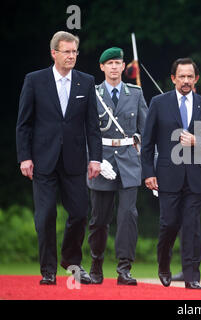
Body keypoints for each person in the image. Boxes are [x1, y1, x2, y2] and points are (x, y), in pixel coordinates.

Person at [16, 31, 102, 285]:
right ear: (54, 53)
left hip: (75, 161)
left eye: (75, 51)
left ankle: (71, 261)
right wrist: (25, 157)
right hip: (43, 161)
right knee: (45, 217)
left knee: (79, 214)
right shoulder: (34, 80)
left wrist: (95, 158)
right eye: (67, 51)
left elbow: (92, 126)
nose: (72, 56)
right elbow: (24, 124)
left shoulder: (85, 82)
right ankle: (48, 271)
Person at [141, 58, 201, 289]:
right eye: (181, 76)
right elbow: (147, 143)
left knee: (192, 226)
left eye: (190, 77)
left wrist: (198, 141)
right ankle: (164, 264)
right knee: (169, 224)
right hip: (166, 175)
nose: (185, 81)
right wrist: (148, 173)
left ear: (196, 79)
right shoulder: (158, 102)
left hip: (195, 176)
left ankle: (192, 276)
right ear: (173, 78)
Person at [87, 47, 148, 285]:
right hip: (100, 158)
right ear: (102, 67)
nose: (114, 67)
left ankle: (124, 268)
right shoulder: (93, 94)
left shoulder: (135, 93)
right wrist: (94, 160)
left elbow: (147, 131)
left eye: (117, 63)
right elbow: (84, 132)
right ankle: (96, 264)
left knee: (128, 216)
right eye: (109, 63)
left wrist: (150, 166)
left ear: (124, 67)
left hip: (129, 161)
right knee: (99, 218)